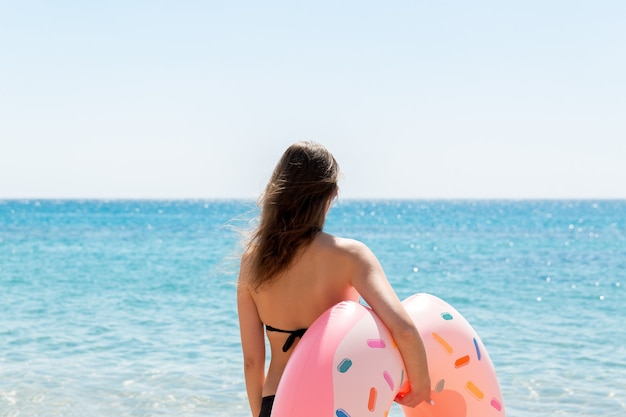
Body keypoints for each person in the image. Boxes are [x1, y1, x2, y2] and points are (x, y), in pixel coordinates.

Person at [237, 141, 431, 417]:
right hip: (337, 401)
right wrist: (420, 385)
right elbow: (405, 330)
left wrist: (262, 414)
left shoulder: (252, 260)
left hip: (277, 400)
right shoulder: (350, 255)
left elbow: (252, 362)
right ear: (331, 193)